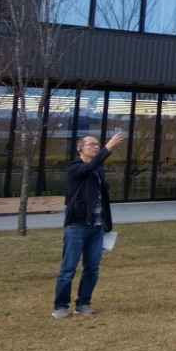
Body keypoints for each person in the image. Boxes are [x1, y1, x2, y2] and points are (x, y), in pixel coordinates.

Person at [52, 130, 126, 319]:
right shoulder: (74, 167)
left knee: (92, 268)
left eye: (97, 144)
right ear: (80, 148)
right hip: (77, 225)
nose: (96, 147)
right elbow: (89, 167)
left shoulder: (98, 170)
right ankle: (60, 306)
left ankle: (83, 303)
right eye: (92, 144)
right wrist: (109, 146)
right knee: (68, 268)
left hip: (97, 227)